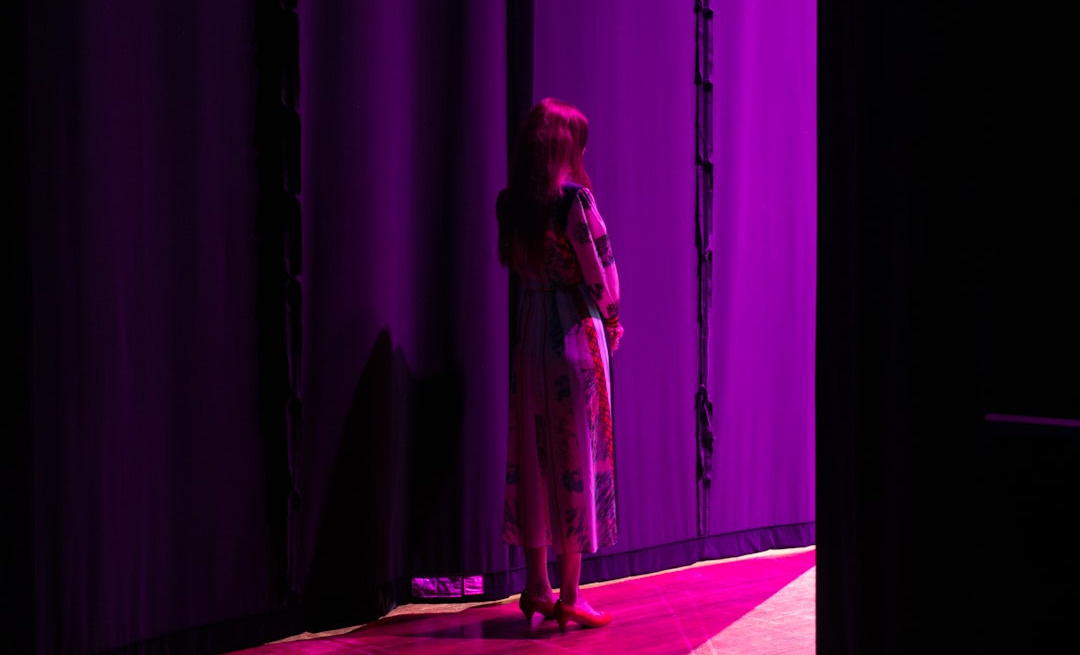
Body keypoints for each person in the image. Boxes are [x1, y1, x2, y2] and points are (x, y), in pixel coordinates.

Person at [497, 97, 623, 633]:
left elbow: (514, 264)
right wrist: (613, 318)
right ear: (562, 147)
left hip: (529, 334)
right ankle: (570, 594)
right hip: (572, 332)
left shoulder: (510, 204)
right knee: (576, 452)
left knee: (533, 455)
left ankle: (535, 587)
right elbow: (602, 268)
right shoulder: (575, 201)